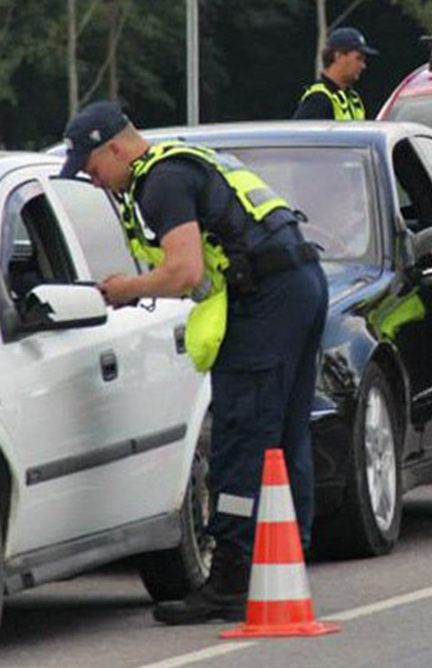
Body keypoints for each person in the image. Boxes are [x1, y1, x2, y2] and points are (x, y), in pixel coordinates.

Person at [57, 101, 328, 623]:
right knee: (282, 435)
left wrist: (126, 290)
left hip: (268, 299)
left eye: (92, 169)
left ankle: (231, 579)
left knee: (242, 434)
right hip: (298, 284)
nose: (94, 182)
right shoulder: (187, 161)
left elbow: (183, 271)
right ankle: (286, 557)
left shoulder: (160, 182)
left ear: (115, 148)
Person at [293, 26, 376, 120]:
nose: (363, 66)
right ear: (338, 56)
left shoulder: (352, 99)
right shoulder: (318, 99)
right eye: (358, 58)